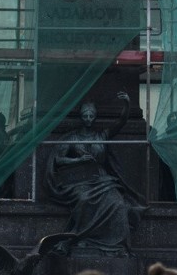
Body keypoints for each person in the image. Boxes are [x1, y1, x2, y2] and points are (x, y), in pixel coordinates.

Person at [45, 93, 143, 255]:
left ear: (95, 116)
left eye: (91, 115)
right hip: (79, 180)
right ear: (81, 117)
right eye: (85, 115)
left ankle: (116, 244)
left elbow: (121, 122)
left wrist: (127, 105)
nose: (89, 118)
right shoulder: (73, 138)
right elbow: (59, 160)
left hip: (102, 179)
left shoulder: (101, 135)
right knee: (84, 199)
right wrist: (78, 160)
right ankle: (76, 238)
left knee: (118, 202)